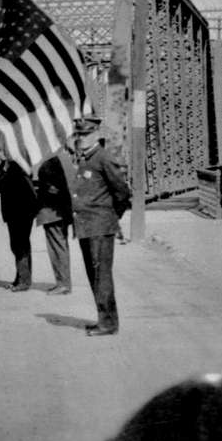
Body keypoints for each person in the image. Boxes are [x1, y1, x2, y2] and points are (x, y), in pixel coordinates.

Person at [70, 116, 130, 336]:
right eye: (78, 135)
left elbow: (122, 192)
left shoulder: (103, 158)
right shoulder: (86, 158)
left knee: (101, 275)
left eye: (85, 135)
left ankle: (108, 323)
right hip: (87, 226)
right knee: (94, 274)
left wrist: (111, 217)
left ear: (96, 134)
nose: (81, 139)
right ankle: (103, 318)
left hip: (100, 227)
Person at [0, 152, 38, 292]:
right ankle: (20, 279)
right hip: (13, 212)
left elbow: (5, 182)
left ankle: (24, 281)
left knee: (20, 245)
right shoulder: (5, 165)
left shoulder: (17, 165)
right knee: (18, 245)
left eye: (1, 151)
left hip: (22, 211)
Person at [35, 143, 77, 295]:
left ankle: (64, 284)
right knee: (57, 247)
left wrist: (46, 190)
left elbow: (65, 187)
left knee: (58, 248)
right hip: (56, 211)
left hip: (54, 212)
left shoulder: (56, 159)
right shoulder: (58, 158)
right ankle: (62, 282)